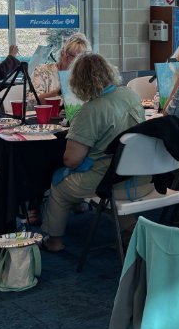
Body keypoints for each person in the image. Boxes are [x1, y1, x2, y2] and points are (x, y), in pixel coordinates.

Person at [41, 53, 149, 252]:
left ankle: (54, 241)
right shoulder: (130, 95)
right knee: (110, 173)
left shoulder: (89, 111)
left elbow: (71, 160)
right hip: (139, 176)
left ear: (77, 81)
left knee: (58, 185)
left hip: (107, 180)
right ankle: (129, 229)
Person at [29, 33, 91, 99]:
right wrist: (58, 92)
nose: (78, 61)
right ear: (62, 53)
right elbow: (33, 101)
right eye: (74, 57)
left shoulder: (84, 75)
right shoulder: (42, 71)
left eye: (82, 58)